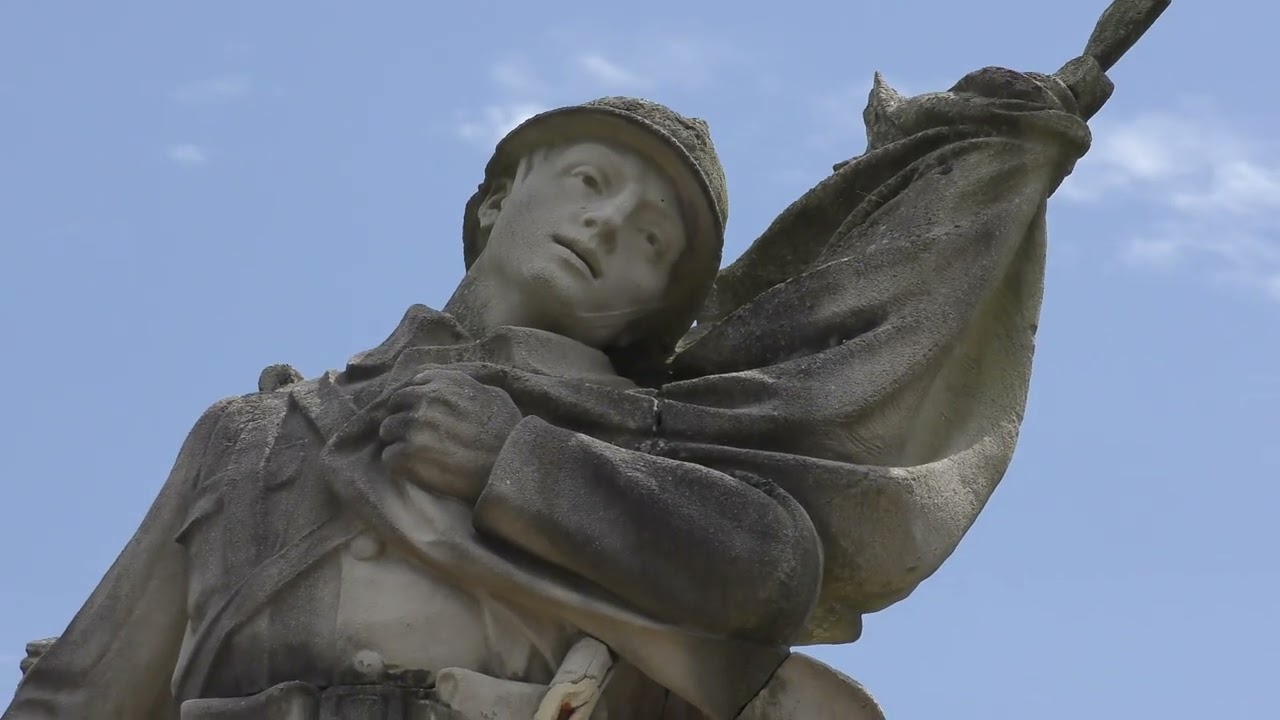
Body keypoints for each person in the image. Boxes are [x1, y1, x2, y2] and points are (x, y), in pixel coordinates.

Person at [5, 56, 1109, 720]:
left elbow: (768, 569)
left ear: (648, 312)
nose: (606, 225)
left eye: (649, 240)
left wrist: (509, 464)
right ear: (495, 199)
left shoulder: (659, 438)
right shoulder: (250, 436)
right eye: (588, 183)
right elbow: (85, 696)